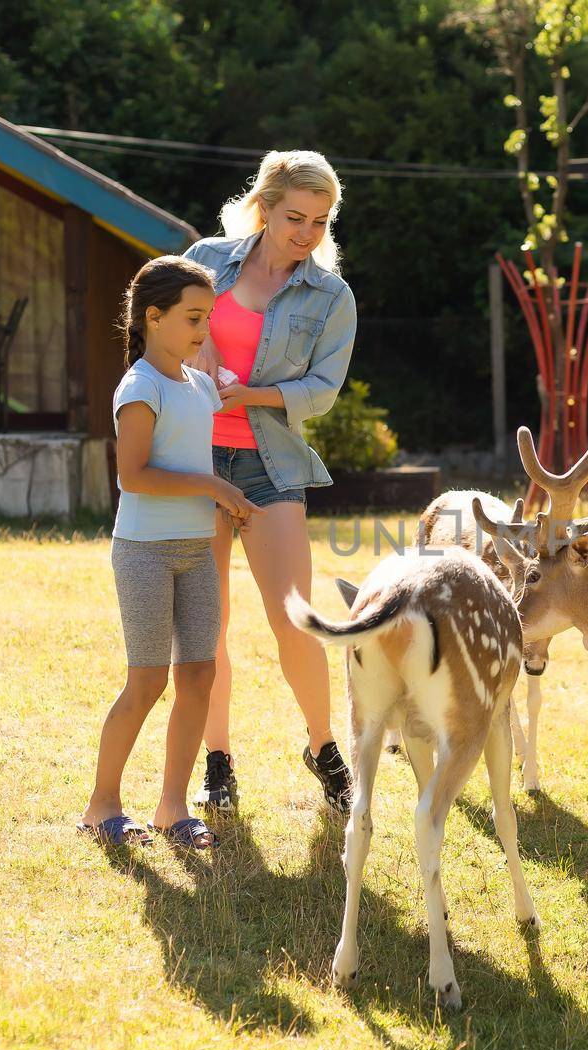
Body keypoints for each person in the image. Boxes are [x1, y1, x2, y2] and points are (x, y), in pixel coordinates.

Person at [182, 150, 358, 816]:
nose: (306, 233)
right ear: (265, 204)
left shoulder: (330, 296)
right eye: (294, 217)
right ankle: (218, 758)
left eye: (319, 221)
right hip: (193, 461)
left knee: (294, 618)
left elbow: (322, 390)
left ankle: (323, 746)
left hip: (268, 465)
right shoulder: (205, 257)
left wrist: (248, 393)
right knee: (207, 625)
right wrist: (186, 352)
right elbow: (161, 332)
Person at [78, 256, 259, 849]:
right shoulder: (140, 386)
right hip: (145, 552)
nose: (203, 330)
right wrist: (213, 487)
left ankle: (173, 808)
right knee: (148, 679)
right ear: (152, 317)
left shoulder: (195, 384)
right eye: (192, 317)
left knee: (200, 674)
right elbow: (133, 476)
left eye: (207, 317)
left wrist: (239, 388)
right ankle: (102, 804)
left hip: (195, 550)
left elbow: (220, 405)